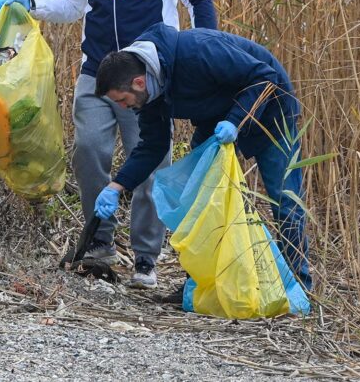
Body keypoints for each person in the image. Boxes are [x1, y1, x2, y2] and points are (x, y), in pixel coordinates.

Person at [1, 0, 216, 288]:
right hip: (96, 72)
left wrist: (199, 52)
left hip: (147, 75)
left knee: (149, 160)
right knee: (88, 150)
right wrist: (31, 3)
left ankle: (146, 259)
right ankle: (100, 244)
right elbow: (71, 5)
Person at [91, 22, 312, 292]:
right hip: (216, 119)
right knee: (200, 202)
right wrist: (117, 186)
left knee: (284, 200)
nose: (124, 107)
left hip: (271, 112)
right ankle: (201, 287)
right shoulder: (149, 94)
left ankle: (299, 287)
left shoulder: (197, 51)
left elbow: (264, 78)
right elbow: (152, 147)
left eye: (123, 100)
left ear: (138, 82)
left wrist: (234, 121)